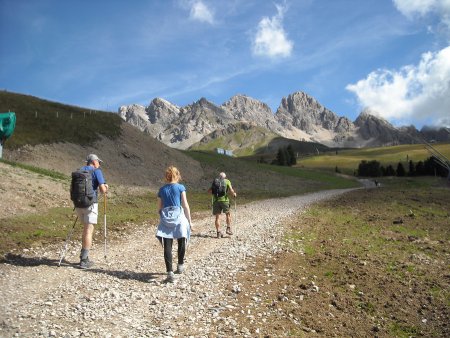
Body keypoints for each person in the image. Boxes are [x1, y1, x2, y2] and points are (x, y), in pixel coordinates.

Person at [156, 166, 193, 283]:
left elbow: (159, 208)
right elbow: (185, 205)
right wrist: (190, 222)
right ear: (177, 175)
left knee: (167, 244)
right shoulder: (181, 187)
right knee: (182, 239)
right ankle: (180, 265)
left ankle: (169, 272)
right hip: (179, 216)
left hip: (166, 216)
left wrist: (163, 218)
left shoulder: (161, 190)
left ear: (166, 176)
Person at [75, 154, 108, 269]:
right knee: (88, 231)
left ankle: (84, 256)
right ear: (94, 162)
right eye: (99, 162)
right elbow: (103, 190)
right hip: (91, 204)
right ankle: (84, 260)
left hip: (78, 204)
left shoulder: (79, 170)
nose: (99, 164)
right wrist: (106, 187)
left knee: (85, 230)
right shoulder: (96, 171)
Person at [209, 172, 237, 238]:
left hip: (216, 201)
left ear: (219, 176)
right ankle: (228, 228)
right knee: (228, 214)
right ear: (225, 177)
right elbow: (231, 190)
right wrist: (234, 194)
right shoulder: (227, 181)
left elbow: (210, 191)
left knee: (217, 217)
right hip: (225, 201)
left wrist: (214, 193)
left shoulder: (215, 182)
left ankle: (218, 232)